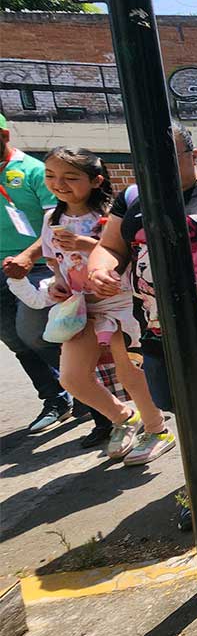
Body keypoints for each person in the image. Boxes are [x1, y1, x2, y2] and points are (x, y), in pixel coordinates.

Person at [89, 124, 197, 527]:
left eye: (172, 157)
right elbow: (110, 247)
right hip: (156, 323)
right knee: (168, 398)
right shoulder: (132, 198)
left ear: (194, 155)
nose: (160, 167)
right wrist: (101, 269)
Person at [40, 147, 175, 464]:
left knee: (131, 373)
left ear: (96, 179)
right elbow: (53, 260)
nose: (59, 184)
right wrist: (59, 283)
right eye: (51, 176)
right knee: (71, 378)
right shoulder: (51, 218)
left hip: (122, 303)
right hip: (79, 309)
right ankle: (123, 418)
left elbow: (128, 252)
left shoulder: (111, 215)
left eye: (70, 177)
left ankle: (157, 430)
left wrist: (87, 244)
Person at [0, 114, 77, 433]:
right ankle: (56, 397)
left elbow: (54, 222)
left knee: (38, 334)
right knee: (16, 340)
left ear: (4, 135)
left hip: (35, 267)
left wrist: (28, 257)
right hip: (3, 270)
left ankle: (84, 388)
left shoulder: (32, 171)